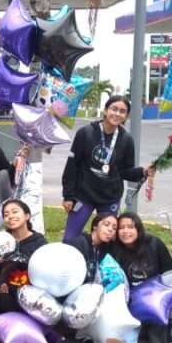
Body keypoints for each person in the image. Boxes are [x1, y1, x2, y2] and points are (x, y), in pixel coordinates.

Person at [61, 95, 154, 242]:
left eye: (122, 111)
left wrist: (142, 172)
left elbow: (125, 171)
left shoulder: (127, 140)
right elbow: (73, 166)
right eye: (114, 109)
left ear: (126, 116)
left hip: (109, 199)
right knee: (70, 238)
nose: (117, 114)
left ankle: (99, 264)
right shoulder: (85, 133)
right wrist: (68, 195)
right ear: (105, 110)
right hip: (83, 196)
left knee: (106, 239)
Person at [71, 211, 142, 343]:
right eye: (106, 224)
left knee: (115, 296)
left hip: (95, 295)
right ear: (95, 226)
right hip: (76, 298)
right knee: (104, 302)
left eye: (114, 227)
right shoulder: (79, 243)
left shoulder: (104, 249)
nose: (110, 229)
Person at [0, 199, 49, 342]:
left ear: (27, 216)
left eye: (15, 212)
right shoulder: (1, 241)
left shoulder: (38, 241)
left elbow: (45, 269)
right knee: (3, 295)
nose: (10, 216)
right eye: (6, 214)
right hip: (6, 292)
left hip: (31, 291)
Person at [113, 212, 172, 343]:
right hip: (127, 302)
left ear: (138, 229)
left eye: (130, 227)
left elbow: (170, 272)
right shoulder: (114, 249)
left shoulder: (154, 244)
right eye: (121, 228)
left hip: (155, 301)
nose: (126, 231)